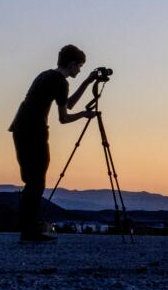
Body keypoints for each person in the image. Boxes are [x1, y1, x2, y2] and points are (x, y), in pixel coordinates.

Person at [8, 45, 103, 243]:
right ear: (72, 64)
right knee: (36, 181)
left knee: (32, 181)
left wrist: (86, 82)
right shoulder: (59, 81)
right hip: (33, 131)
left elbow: (67, 103)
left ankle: (28, 228)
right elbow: (64, 117)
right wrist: (85, 115)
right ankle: (30, 231)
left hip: (20, 129)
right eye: (79, 67)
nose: (79, 70)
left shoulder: (47, 76)